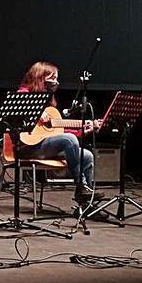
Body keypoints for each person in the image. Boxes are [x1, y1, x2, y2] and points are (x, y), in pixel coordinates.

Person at [18, 61, 100, 207]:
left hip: (47, 146)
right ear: (40, 77)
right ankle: (81, 185)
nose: (56, 82)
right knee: (69, 139)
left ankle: (86, 206)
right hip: (28, 147)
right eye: (52, 78)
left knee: (87, 156)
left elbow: (58, 131)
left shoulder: (50, 102)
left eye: (56, 78)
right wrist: (35, 112)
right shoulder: (23, 93)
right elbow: (16, 115)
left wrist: (83, 130)